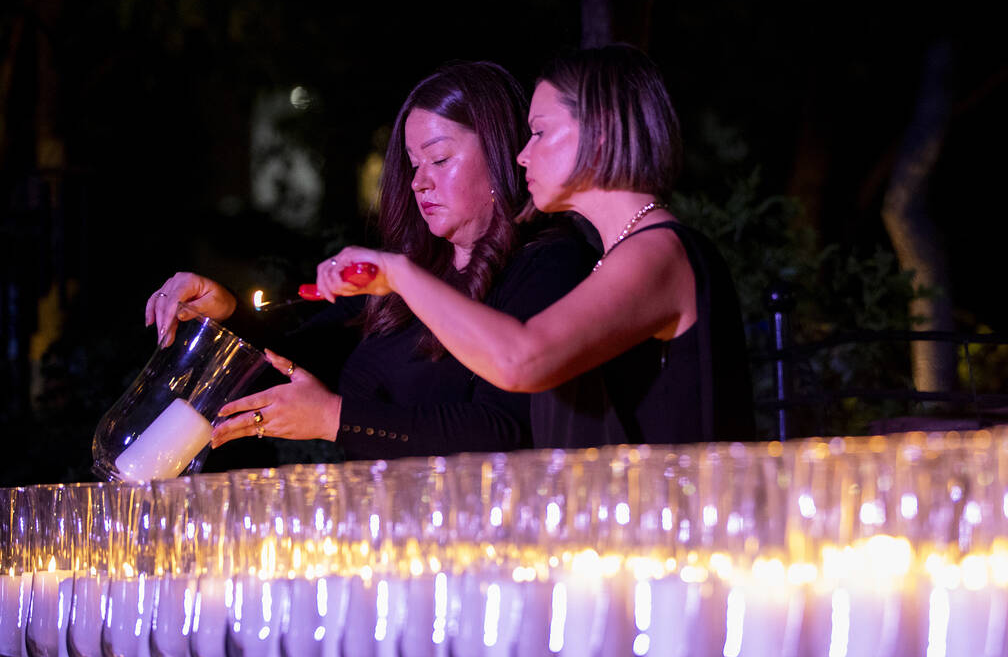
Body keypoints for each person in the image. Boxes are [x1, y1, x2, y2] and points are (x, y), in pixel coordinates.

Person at [144, 61, 596, 459]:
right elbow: (302, 354)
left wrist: (337, 419)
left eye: (439, 158)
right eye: (413, 164)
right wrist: (227, 314)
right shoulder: (413, 270)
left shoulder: (549, 263)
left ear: (501, 154)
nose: (419, 182)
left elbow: (507, 431)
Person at [316, 44, 755, 448]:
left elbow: (519, 360)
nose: (522, 155)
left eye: (540, 133)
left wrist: (400, 274)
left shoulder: (659, 250)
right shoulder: (621, 254)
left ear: (598, 135)